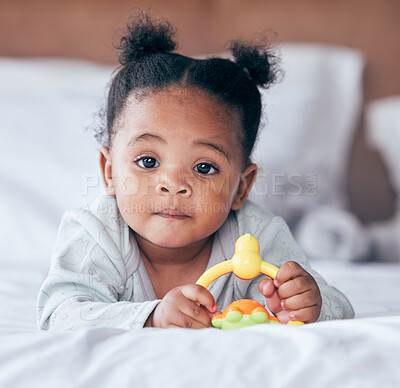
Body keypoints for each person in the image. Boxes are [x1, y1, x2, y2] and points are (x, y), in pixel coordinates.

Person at [37, 13, 354, 330]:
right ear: (108, 171)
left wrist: (310, 303)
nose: (173, 185)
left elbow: (338, 305)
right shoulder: (97, 232)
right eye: (148, 162)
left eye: (205, 167)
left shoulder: (257, 234)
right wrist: (153, 316)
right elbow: (59, 314)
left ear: (241, 188)